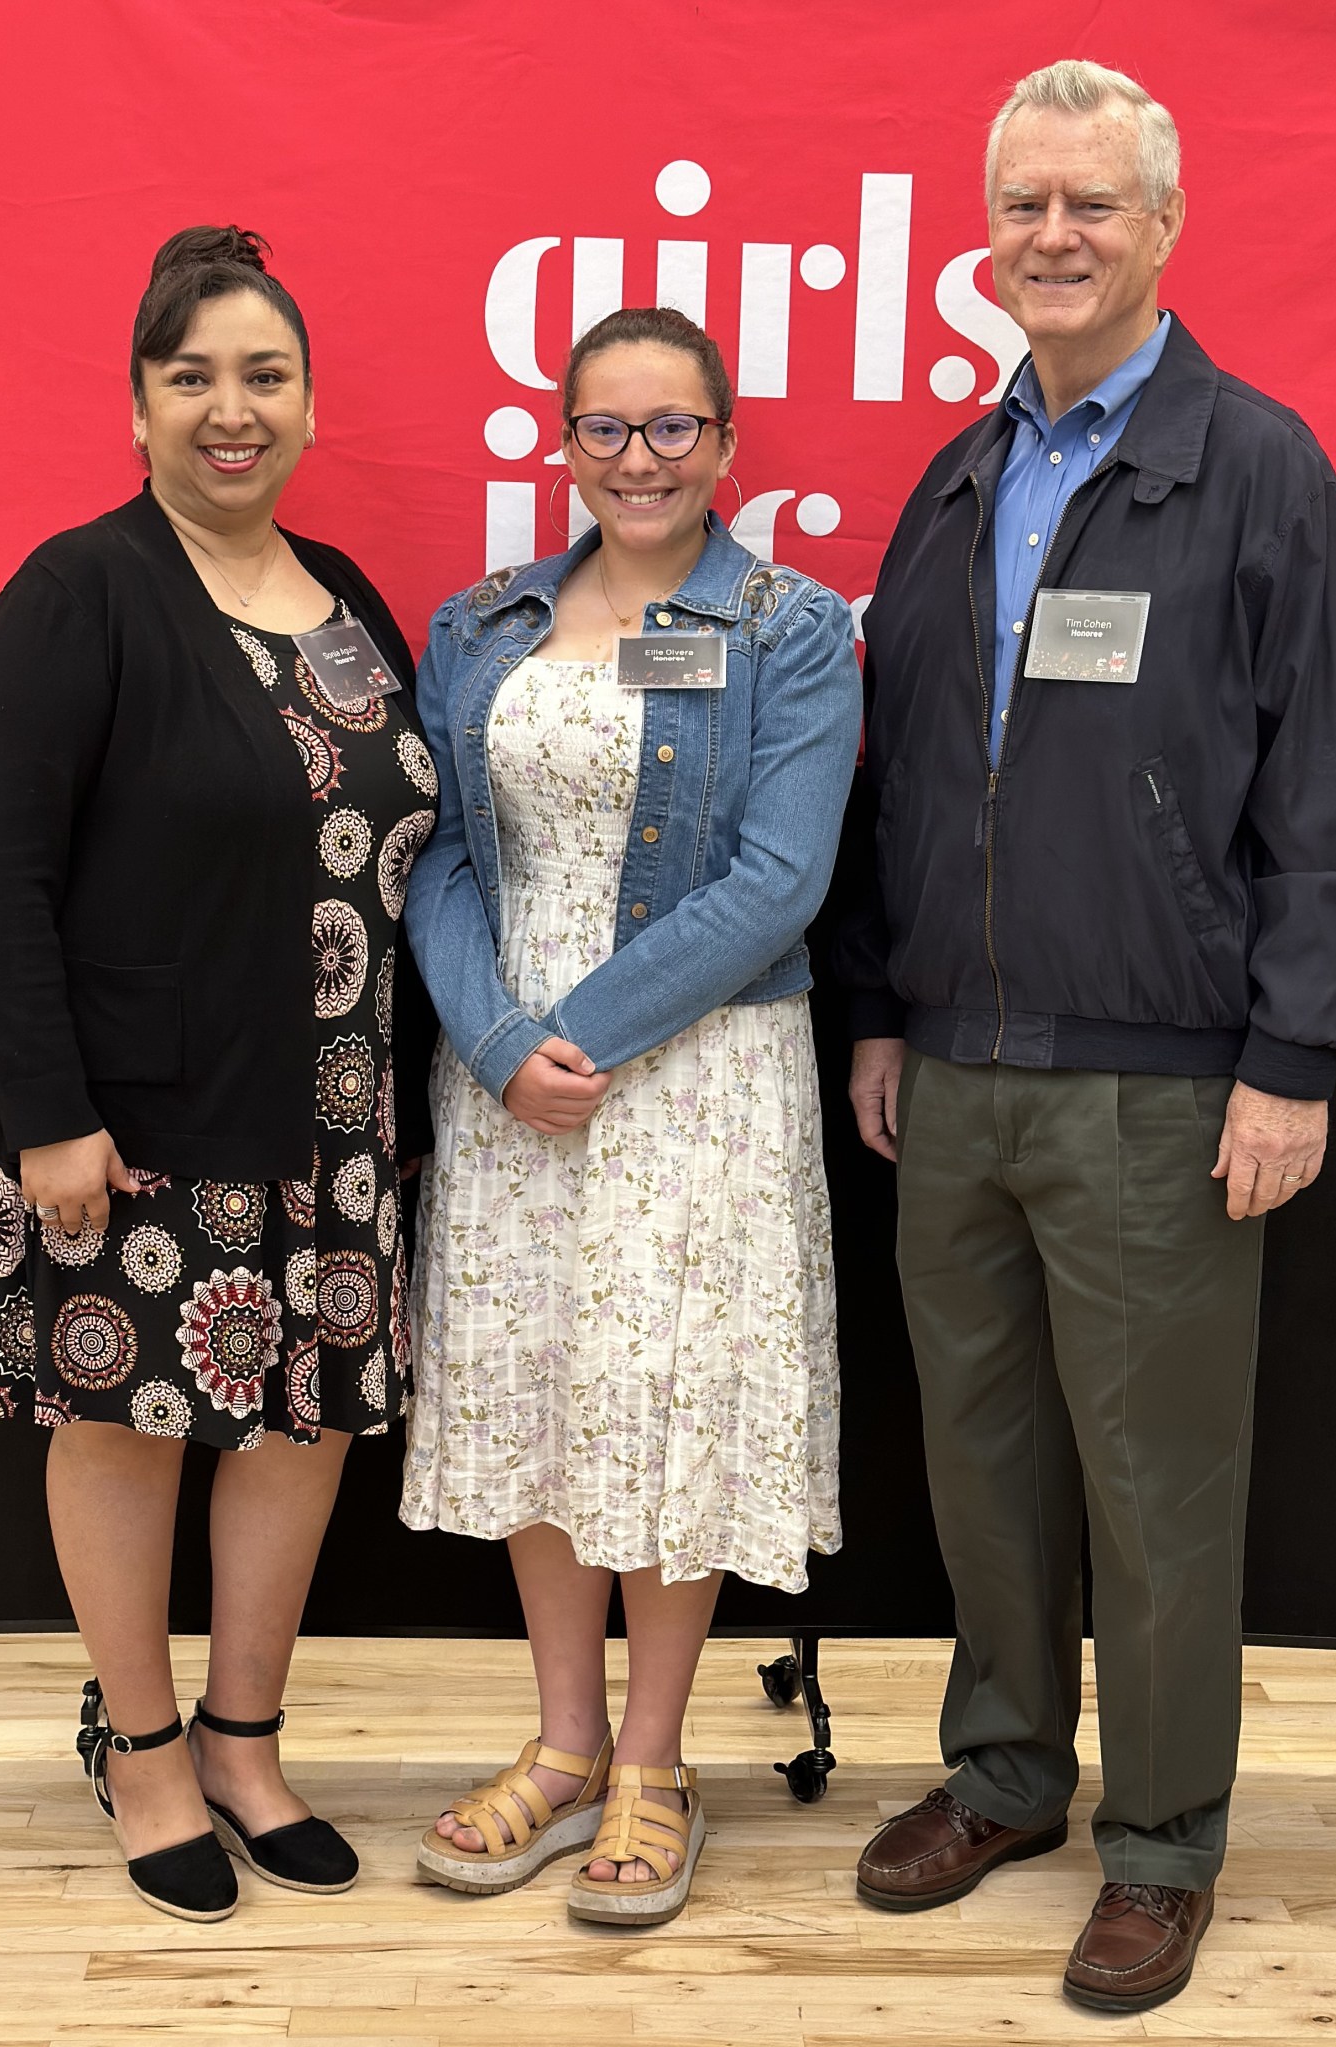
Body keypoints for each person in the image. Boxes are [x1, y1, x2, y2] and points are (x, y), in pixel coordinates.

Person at [836, 62, 1336, 2012]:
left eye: (1091, 202)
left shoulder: (1255, 467)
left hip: (1161, 1080)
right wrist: (885, 1011)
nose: (1053, 235)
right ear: (985, 232)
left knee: (1158, 1485)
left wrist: (1293, 1058)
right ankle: (1007, 1775)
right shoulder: (954, 479)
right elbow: (910, 785)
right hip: (956, 1072)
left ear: (1163, 226)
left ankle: (1161, 1841)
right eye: (1022, 203)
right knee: (983, 1462)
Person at [0, 226, 439, 1922]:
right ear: (140, 404)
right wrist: (47, 1119)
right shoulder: (79, 591)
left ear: (308, 401)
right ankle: (144, 1752)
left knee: (303, 1424)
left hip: (340, 1112)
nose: (234, 409)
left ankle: (243, 1742)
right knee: (129, 1426)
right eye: (193, 376)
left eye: (265, 375)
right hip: (140, 1118)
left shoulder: (347, 594)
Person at [402, 306, 860, 1925]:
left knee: (666, 1400)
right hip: (508, 1078)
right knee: (542, 1388)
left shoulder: (793, 629)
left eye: (674, 427)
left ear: (726, 445)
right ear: (565, 443)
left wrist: (573, 1039)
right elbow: (440, 854)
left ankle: (657, 1766)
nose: (640, 459)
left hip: (695, 1075)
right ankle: (566, 1745)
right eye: (606, 426)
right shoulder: (480, 624)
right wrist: (495, 1041)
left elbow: (781, 880)